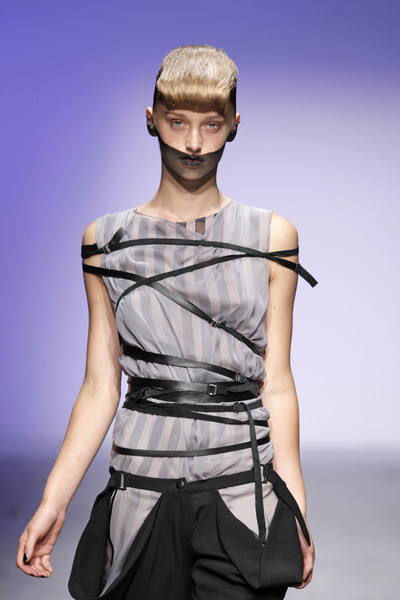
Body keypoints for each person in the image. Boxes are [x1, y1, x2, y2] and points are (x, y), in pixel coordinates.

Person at [17, 45, 317, 599]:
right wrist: (54, 501)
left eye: (211, 124)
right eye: (178, 121)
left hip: (242, 490)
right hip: (141, 490)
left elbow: (276, 381)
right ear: (150, 120)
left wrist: (294, 508)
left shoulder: (272, 237)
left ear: (234, 126)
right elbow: (101, 384)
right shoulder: (106, 241)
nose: (194, 143)